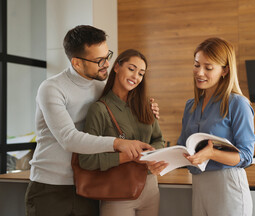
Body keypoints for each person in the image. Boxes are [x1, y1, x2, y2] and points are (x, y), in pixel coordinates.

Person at [25, 25, 159, 216]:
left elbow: (126, 108)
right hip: (50, 187)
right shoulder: (52, 89)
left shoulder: (100, 87)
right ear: (77, 63)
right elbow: (68, 139)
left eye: (107, 56)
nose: (106, 64)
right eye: (99, 60)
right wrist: (119, 144)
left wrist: (149, 108)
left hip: (89, 183)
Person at [148, 37, 255, 216]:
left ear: (225, 70)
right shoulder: (191, 105)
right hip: (199, 185)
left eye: (208, 67)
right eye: (197, 65)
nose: (199, 72)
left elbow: (246, 156)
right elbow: (183, 149)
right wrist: (161, 162)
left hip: (228, 187)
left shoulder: (238, 103)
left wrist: (212, 153)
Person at [78, 49, 164, 216]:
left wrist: (151, 155)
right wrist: (129, 156)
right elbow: (86, 160)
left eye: (141, 73)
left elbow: (158, 139)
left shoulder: (146, 105)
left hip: (150, 188)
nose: (135, 77)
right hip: (117, 193)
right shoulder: (99, 109)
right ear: (117, 67)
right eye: (131, 69)